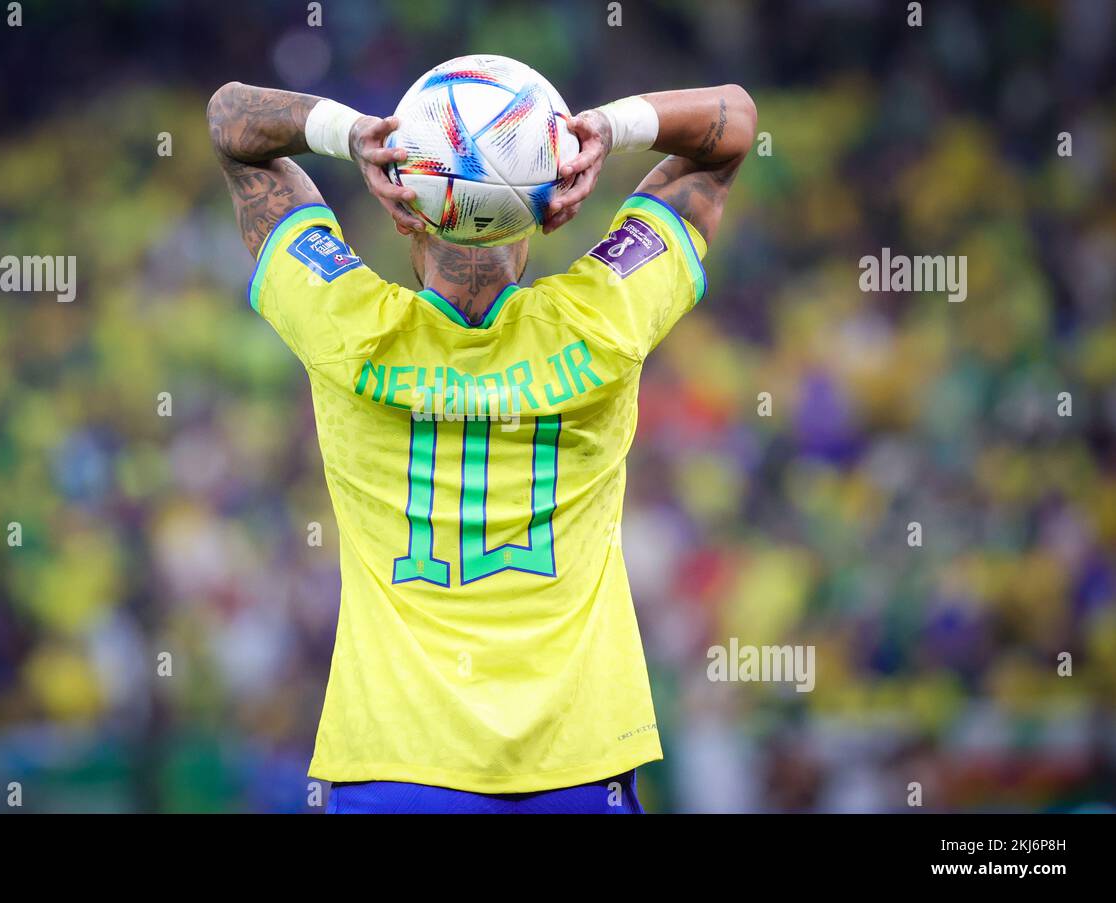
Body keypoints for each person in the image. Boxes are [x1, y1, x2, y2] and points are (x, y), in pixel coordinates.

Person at [207, 70, 756, 813]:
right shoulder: (604, 323)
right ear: (543, 217)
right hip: (575, 767)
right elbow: (729, 133)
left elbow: (232, 127)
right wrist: (602, 129)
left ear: (406, 217)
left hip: (395, 767)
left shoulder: (346, 325)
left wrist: (352, 134)